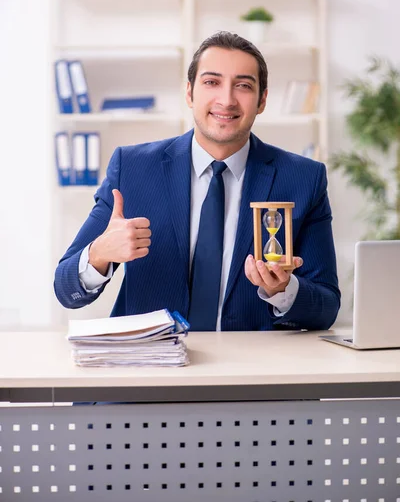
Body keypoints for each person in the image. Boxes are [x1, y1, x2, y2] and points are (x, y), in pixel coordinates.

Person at [54, 31, 340, 331]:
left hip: (253, 368)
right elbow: (65, 289)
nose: (227, 100)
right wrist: (99, 254)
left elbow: (326, 308)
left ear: (262, 100)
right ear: (189, 93)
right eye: (211, 82)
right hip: (152, 367)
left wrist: (282, 290)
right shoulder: (133, 168)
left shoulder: (304, 179)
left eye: (243, 85)